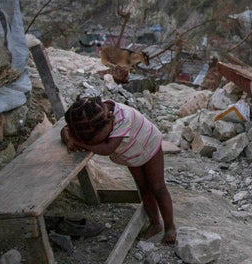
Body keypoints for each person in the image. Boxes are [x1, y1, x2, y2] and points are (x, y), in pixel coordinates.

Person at [61, 94, 176, 244]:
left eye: (100, 137)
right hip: (130, 153)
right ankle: (155, 224)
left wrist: (82, 144)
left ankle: (170, 228)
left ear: (111, 118)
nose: (96, 140)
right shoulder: (92, 118)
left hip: (149, 144)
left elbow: (108, 148)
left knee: (158, 187)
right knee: (144, 188)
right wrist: (70, 139)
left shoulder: (123, 118)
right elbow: (65, 130)